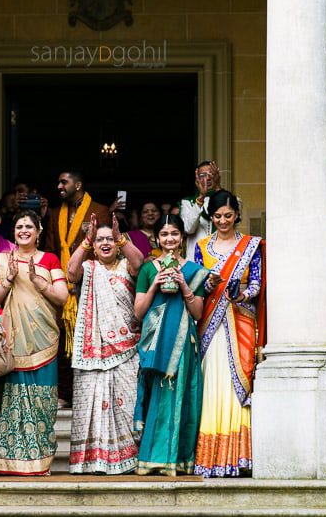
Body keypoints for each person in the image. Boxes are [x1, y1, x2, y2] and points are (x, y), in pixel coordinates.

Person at [0, 210, 68, 475]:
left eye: (29, 226)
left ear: (38, 230)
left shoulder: (49, 259)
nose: (24, 230)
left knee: (42, 400)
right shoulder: (1, 261)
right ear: (13, 231)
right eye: (19, 226)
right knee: (10, 397)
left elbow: (62, 297)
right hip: (12, 339)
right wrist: (9, 278)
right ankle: (6, 462)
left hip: (43, 337)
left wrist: (39, 282)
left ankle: (39, 461)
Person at [66, 215, 144, 474]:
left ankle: (129, 459)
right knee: (94, 403)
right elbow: (71, 271)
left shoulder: (126, 266)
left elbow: (139, 262)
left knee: (127, 402)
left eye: (110, 239)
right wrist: (85, 241)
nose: (105, 243)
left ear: (119, 242)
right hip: (93, 351)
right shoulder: (89, 269)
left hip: (127, 348)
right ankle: (95, 461)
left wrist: (121, 237)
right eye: (100, 240)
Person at [193, 190, 263, 478]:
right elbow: (195, 284)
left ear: (237, 215)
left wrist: (242, 292)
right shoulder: (201, 247)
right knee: (212, 385)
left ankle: (239, 457)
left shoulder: (251, 246)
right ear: (211, 217)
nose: (223, 221)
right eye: (218, 216)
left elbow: (257, 283)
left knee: (238, 388)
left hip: (240, 321)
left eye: (228, 216)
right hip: (210, 324)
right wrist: (208, 284)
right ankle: (211, 459)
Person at [132, 214, 209, 476]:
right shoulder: (147, 269)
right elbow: (139, 312)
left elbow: (198, 313)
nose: (169, 239)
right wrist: (154, 284)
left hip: (183, 343)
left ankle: (178, 459)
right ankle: (153, 457)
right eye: (164, 234)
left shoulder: (193, 271)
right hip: (156, 345)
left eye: (174, 234)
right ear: (157, 238)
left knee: (182, 396)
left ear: (182, 238)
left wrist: (184, 285)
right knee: (158, 397)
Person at [41, 170, 116, 405]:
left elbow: (106, 246)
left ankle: (89, 393)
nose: (59, 186)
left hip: (91, 283)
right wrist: (59, 280)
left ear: (78, 184)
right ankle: (64, 392)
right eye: (58, 181)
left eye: (64, 181)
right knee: (63, 337)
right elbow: (51, 249)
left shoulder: (101, 210)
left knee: (91, 336)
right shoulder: (54, 213)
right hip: (62, 284)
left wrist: (83, 278)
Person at [178, 161, 223, 260]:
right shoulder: (187, 202)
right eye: (203, 175)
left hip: (221, 258)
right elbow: (188, 228)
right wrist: (201, 197)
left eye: (211, 174)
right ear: (197, 179)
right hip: (195, 260)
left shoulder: (230, 200)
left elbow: (232, 219)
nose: (208, 178)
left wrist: (218, 188)